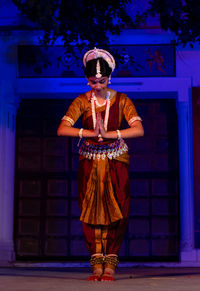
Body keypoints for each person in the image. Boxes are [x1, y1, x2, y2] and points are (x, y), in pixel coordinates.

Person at [57, 48, 144, 281]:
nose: (97, 86)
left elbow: (139, 129)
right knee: (91, 211)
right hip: (90, 162)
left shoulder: (122, 100)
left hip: (116, 161)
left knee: (117, 210)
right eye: (93, 81)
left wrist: (111, 134)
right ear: (87, 79)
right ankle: (96, 263)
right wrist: (87, 132)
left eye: (102, 81)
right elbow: (62, 128)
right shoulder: (82, 101)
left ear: (109, 78)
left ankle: (111, 263)